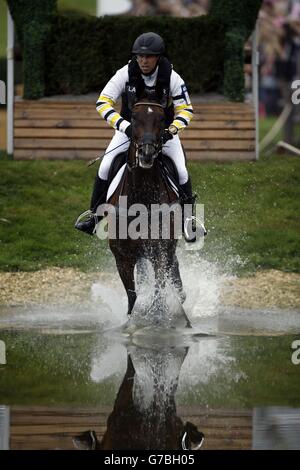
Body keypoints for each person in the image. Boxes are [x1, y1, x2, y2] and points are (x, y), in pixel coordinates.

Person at [75, 32, 196, 238]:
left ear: (158, 57)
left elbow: (186, 110)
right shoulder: (124, 73)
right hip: (129, 131)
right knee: (105, 166)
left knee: (182, 171)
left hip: (162, 133)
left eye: (148, 56)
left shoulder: (173, 77)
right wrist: (125, 127)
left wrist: (171, 131)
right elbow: (102, 103)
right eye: (139, 56)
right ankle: (95, 217)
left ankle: (189, 221)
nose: (143, 60)